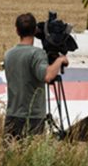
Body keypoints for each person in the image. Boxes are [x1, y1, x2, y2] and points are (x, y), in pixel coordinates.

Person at [4, 13, 69, 141]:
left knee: (10, 156)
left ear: (17, 31)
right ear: (35, 31)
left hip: (12, 114)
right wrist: (59, 60)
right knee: (29, 155)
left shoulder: (8, 54)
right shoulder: (36, 54)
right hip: (32, 117)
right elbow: (48, 76)